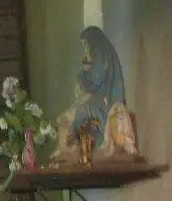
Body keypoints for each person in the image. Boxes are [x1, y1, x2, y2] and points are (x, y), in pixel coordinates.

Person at [51, 26, 128, 164]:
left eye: (86, 44)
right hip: (99, 98)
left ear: (93, 41)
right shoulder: (100, 53)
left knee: (79, 111)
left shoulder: (102, 53)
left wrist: (82, 77)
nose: (85, 48)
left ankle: (69, 145)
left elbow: (95, 82)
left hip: (107, 101)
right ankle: (67, 148)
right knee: (67, 116)